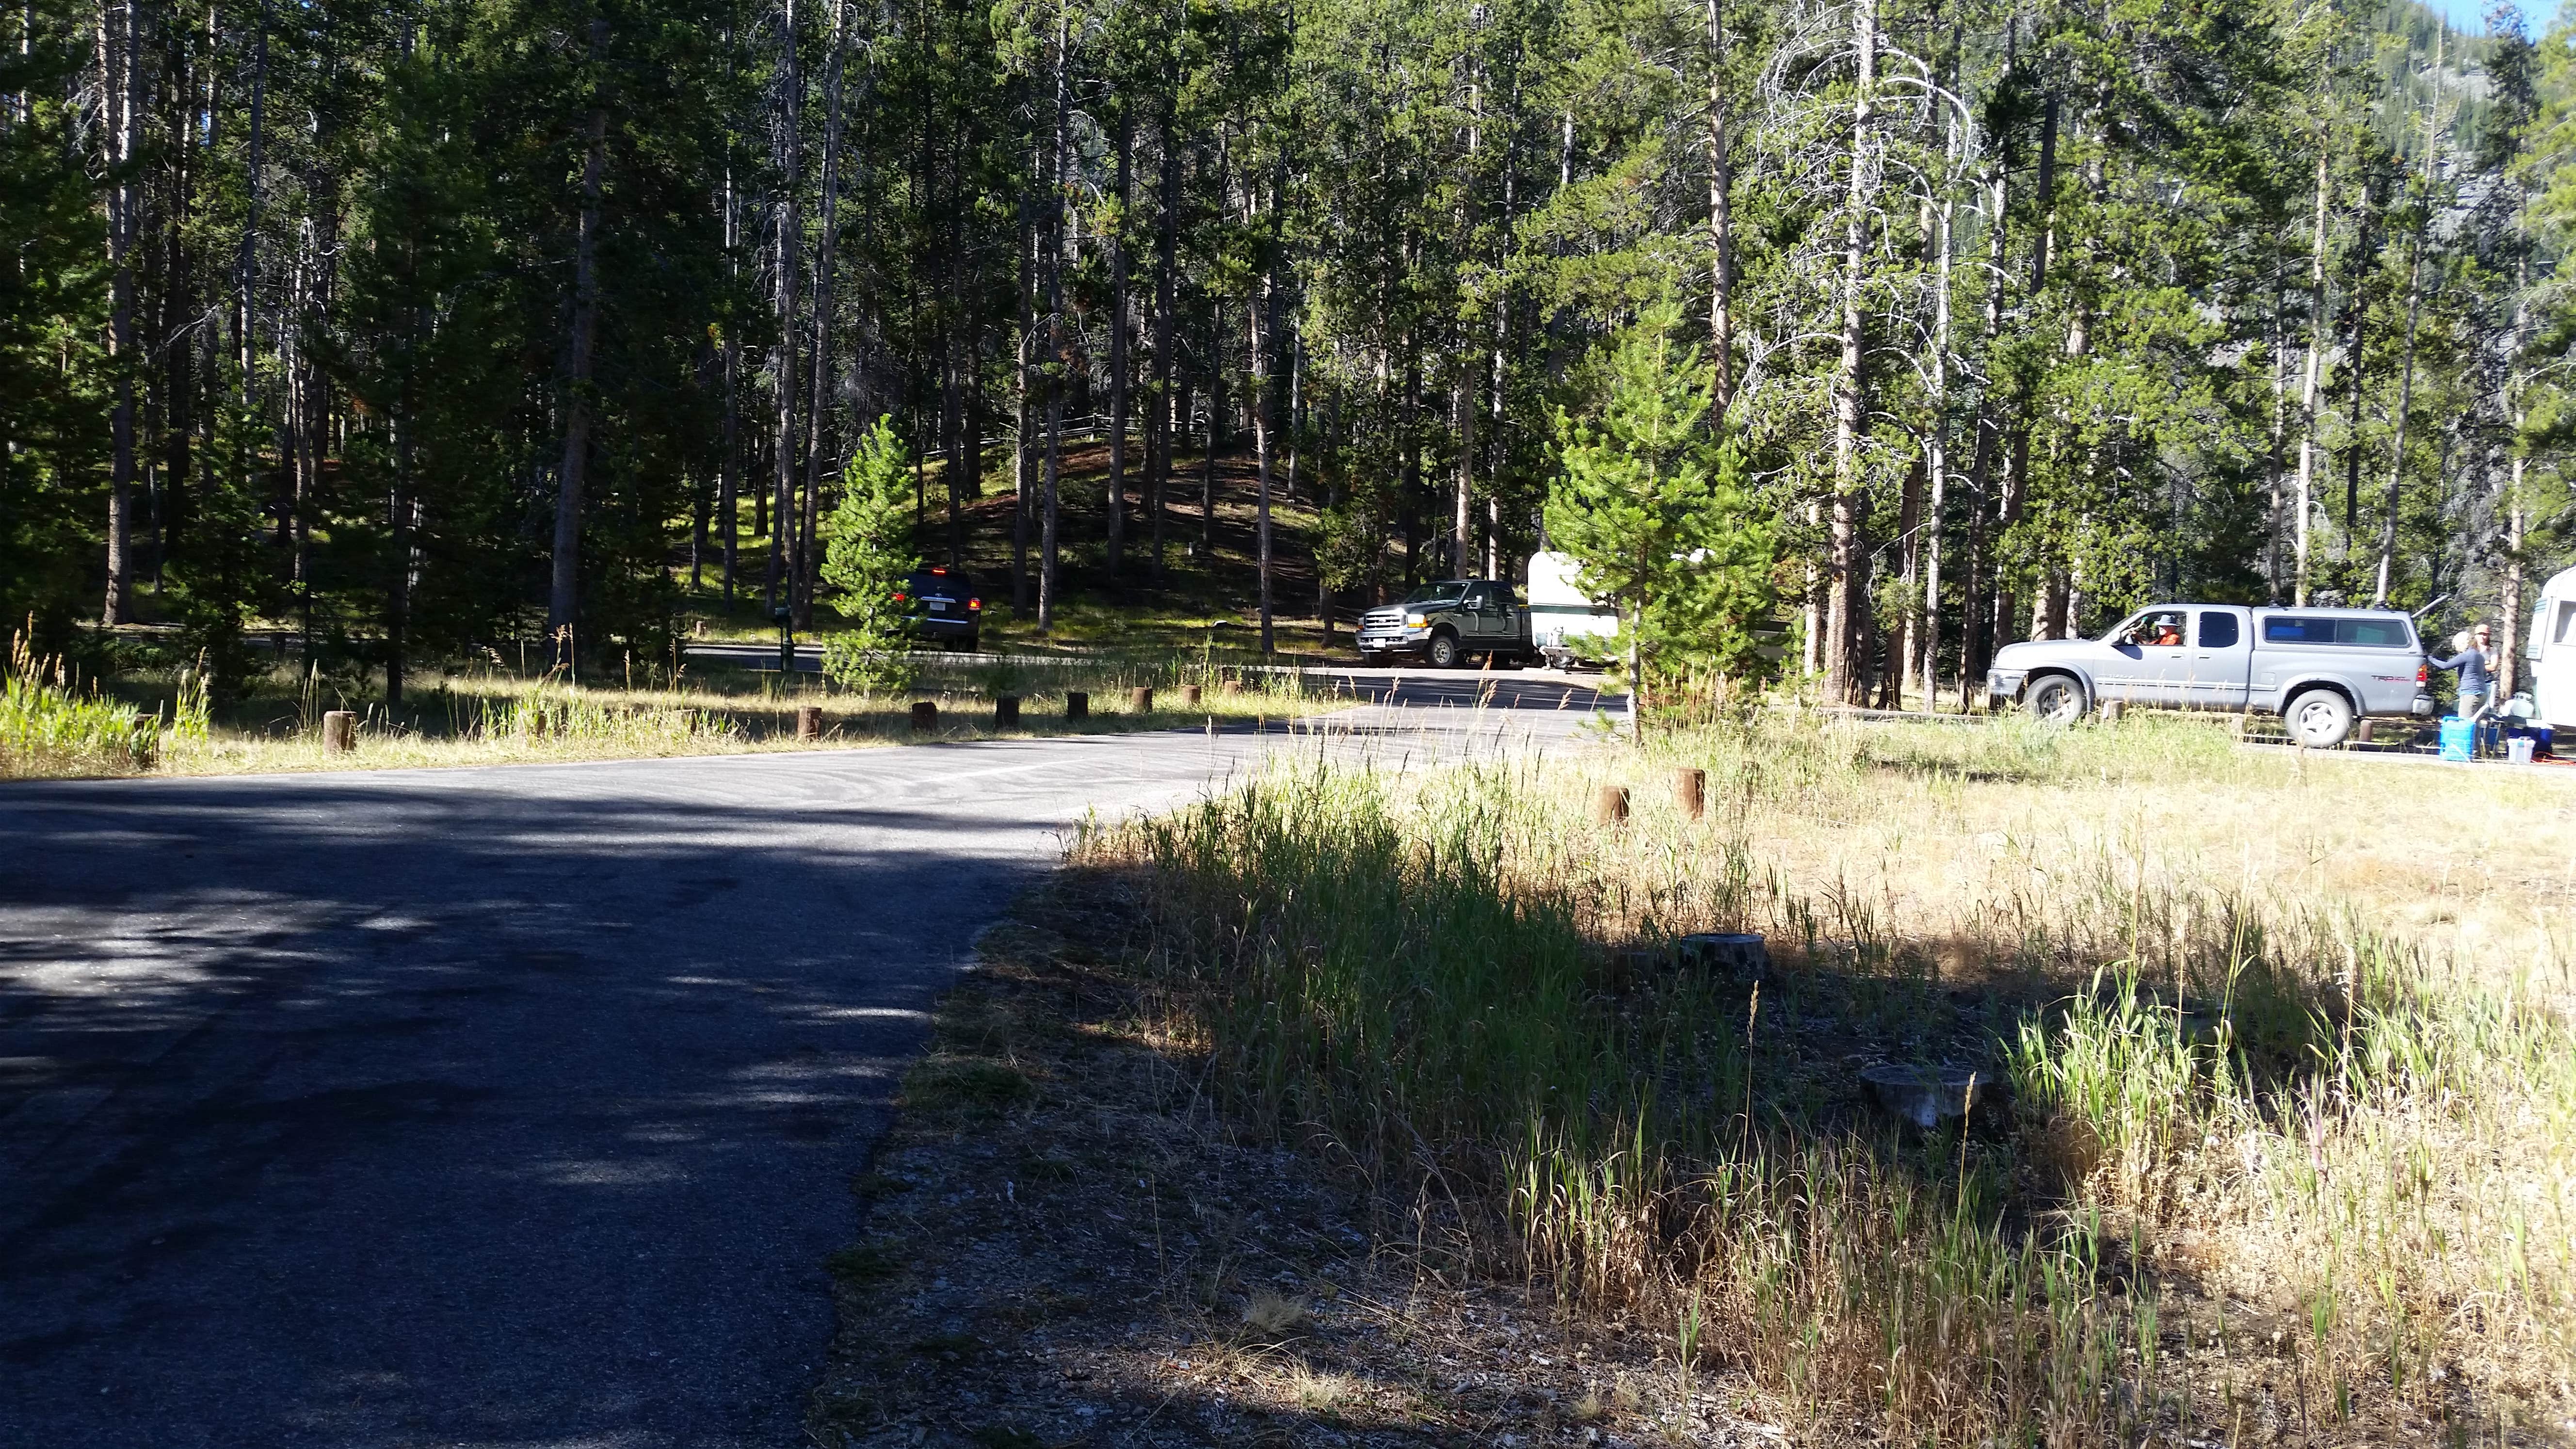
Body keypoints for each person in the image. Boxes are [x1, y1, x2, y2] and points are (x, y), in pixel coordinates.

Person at [2429, 624, 2497, 753]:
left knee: (2465, 724)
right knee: (2475, 724)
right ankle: (2477, 750)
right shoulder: (2479, 656)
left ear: (2461, 644)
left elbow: (2445, 666)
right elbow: (2483, 673)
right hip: (2482, 693)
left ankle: (2464, 752)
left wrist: (2430, 659)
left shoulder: (2467, 655)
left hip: (2470, 694)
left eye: (2457, 645)